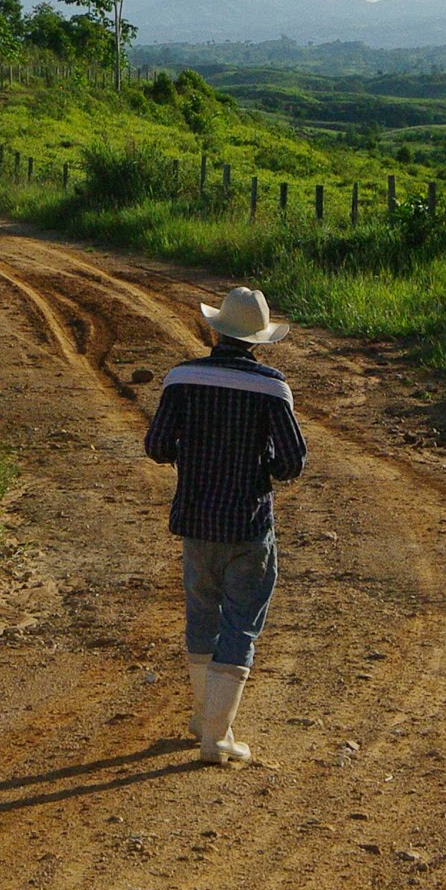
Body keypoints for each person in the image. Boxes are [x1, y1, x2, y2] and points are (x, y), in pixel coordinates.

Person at [143, 285, 310, 764]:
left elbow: (156, 446)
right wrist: (260, 471)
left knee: (202, 616)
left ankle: (205, 719)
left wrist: (192, 461)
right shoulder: (272, 386)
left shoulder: (181, 378)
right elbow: (292, 461)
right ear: (258, 340)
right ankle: (216, 738)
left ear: (215, 330)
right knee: (241, 622)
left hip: (195, 518)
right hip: (248, 521)